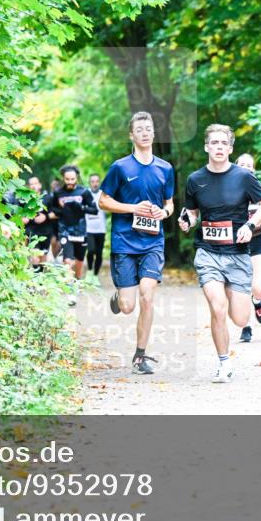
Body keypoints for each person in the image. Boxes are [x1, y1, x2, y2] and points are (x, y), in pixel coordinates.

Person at [178, 124, 261, 383]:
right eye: (214, 143)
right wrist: (186, 221)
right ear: (207, 147)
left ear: (230, 148)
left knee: (239, 317)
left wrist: (250, 225)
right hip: (208, 253)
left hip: (238, 254)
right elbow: (193, 213)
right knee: (218, 307)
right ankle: (223, 363)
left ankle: (247, 309)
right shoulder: (195, 179)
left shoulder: (243, 177)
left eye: (224, 143)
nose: (219, 147)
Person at [99, 112, 176, 375]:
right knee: (128, 305)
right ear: (132, 135)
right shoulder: (120, 167)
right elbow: (103, 201)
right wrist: (133, 208)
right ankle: (119, 297)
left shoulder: (165, 168)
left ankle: (140, 356)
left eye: (149, 128)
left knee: (147, 296)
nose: (145, 132)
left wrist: (163, 213)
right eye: (139, 129)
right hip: (124, 242)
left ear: (154, 133)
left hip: (153, 242)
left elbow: (170, 204)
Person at [235, 153, 261, 342]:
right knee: (242, 286)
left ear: (253, 169)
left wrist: (253, 223)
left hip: (257, 239)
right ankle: (247, 327)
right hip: (235, 244)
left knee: (258, 288)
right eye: (241, 164)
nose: (245, 167)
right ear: (235, 166)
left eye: (248, 165)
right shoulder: (227, 191)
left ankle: (257, 301)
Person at [45, 165, 98, 305]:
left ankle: (78, 281)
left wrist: (81, 207)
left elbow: (95, 210)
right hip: (65, 230)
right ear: (63, 178)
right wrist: (61, 210)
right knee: (68, 261)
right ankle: (71, 292)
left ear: (77, 178)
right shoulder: (58, 193)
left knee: (79, 262)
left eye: (72, 179)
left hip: (80, 231)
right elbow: (51, 209)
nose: (70, 182)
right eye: (67, 179)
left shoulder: (84, 191)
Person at [21, 176, 53, 271]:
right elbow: (21, 214)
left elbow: (55, 213)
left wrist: (45, 217)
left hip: (46, 232)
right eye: (31, 184)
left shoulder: (48, 198)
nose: (34, 186)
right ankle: (36, 278)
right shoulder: (25, 200)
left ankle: (40, 280)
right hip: (31, 231)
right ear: (28, 186)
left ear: (40, 185)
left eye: (35, 183)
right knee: (35, 257)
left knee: (43, 258)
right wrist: (25, 218)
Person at [85, 173, 107, 277]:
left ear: (99, 182)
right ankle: (89, 270)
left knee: (99, 253)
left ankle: (95, 275)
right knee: (91, 250)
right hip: (88, 229)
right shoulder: (85, 193)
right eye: (92, 181)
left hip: (101, 229)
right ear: (90, 183)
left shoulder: (104, 194)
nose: (95, 184)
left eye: (97, 181)